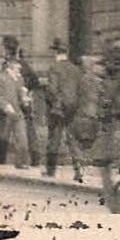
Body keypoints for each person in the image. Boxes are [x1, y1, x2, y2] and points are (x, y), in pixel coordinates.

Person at [44, 39, 86, 182]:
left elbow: (52, 89)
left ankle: (50, 171)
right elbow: (81, 89)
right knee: (72, 138)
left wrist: (53, 102)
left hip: (58, 108)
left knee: (54, 138)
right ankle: (79, 168)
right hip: (73, 107)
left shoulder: (54, 68)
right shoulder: (76, 69)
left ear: (56, 53)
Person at [0, 35, 30, 168]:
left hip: (17, 113)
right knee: (1, 138)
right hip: (5, 113)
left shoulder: (19, 79)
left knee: (22, 139)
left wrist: (25, 99)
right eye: (17, 65)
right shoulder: (1, 77)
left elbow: (22, 93)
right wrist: (6, 106)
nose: (19, 67)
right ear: (10, 66)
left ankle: (22, 162)